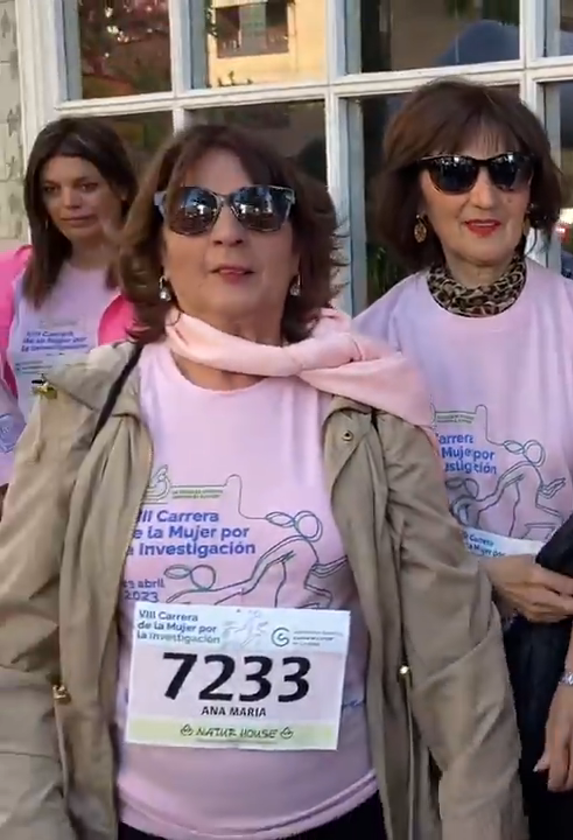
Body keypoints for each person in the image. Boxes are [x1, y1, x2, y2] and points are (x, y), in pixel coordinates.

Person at [0, 123, 524, 840]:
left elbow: (455, 654)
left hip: (345, 818)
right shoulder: (85, 409)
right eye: (193, 210)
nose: (226, 232)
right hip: (135, 825)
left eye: (258, 210)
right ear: (157, 248)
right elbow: (17, 650)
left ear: (298, 252)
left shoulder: (371, 405)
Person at [354, 79, 573, 838]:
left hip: (564, 646)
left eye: (507, 170)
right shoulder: (372, 341)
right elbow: (366, 524)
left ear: (532, 190)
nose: (483, 194)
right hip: (433, 651)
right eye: (454, 171)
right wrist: (483, 574)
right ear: (416, 196)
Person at [0, 117, 138, 491]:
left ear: (122, 187)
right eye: (51, 189)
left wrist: (135, 260)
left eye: (86, 186)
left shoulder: (163, 276)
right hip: (34, 488)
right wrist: (9, 474)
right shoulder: (12, 276)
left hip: (131, 486)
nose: (69, 203)